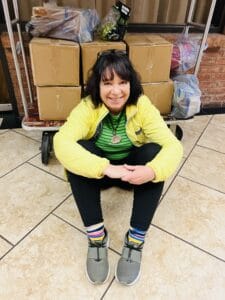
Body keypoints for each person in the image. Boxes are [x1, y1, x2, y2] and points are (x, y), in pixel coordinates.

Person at [53, 49, 183, 286]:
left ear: (131, 84)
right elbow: (60, 142)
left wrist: (152, 171)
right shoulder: (87, 107)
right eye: (108, 83)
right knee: (79, 149)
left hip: (131, 173)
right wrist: (105, 168)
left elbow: (173, 147)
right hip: (102, 174)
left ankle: (135, 240)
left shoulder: (142, 105)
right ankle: (96, 237)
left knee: (154, 153)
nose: (116, 91)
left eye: (123, 82)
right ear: (97, 85)